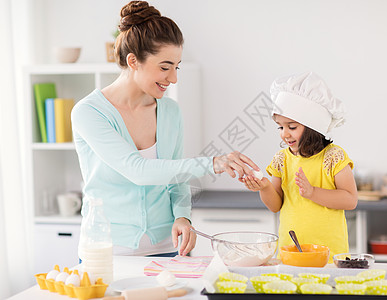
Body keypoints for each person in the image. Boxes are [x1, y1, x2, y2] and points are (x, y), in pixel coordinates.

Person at [71, 0, 259, 257]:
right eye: (164, 67)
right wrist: (213, 163)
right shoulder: (89, 113)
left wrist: (183, 216)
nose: (173, 78)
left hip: (166, 249)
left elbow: (175, 176)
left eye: (176, 66)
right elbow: (136, 171)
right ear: (134, 61)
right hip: (107, 250)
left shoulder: (170, 111)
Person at [242, 72, 358, 260]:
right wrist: (264, 188)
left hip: (329, 254)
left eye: (292, 127)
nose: (284, 134)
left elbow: (350, 200)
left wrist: (313, 192)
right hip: (290, 253)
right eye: (280, 127)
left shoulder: (334, 157)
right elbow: (275, 205)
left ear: (312, 126)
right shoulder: (282, 159)